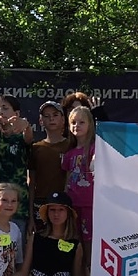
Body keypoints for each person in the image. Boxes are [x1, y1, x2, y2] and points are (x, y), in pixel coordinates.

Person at [0, 94, 33, 230]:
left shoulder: (22, 134)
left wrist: (26, 125)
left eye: (5, 108)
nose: (1, 112)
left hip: (17, 202)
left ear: (16, 113)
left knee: (16, 239)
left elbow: (28, 138)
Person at [62, 104, 97, 249]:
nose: (77, 125)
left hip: (90, 203)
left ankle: (89, 263)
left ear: (90, 124)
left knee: (89, 240)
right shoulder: (69, 153)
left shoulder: (95, 147)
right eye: (73, 122)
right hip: (72, 204)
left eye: (82, 122)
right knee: (74, 239)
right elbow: (67, 178)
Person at [26, 100, 69, 215]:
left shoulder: (71, 146)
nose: (51, 119)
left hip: (63, 203)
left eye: (55, 115)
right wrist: (31, 216)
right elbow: (31, 182)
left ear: (63, 120)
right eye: (47, 116)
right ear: (41, 121)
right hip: (40, 203)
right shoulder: (35, 148)